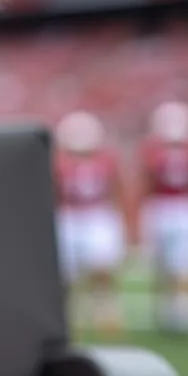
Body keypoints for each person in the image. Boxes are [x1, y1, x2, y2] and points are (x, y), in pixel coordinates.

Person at [139, 101, 188, 334]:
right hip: (184, 207)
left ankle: (173, 311)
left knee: (173, 264)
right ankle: (183, 313)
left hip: (168, 207)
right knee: (177, 264)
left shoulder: (154, 151)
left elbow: (148, 180)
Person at [54, 110, 126, 335]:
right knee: (66, 273)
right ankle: (70, 311)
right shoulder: (59, 163)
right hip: (69, 216)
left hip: (97, 214)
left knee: (102, 266)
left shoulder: (106, 161)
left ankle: (104, 308)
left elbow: (116, 189)